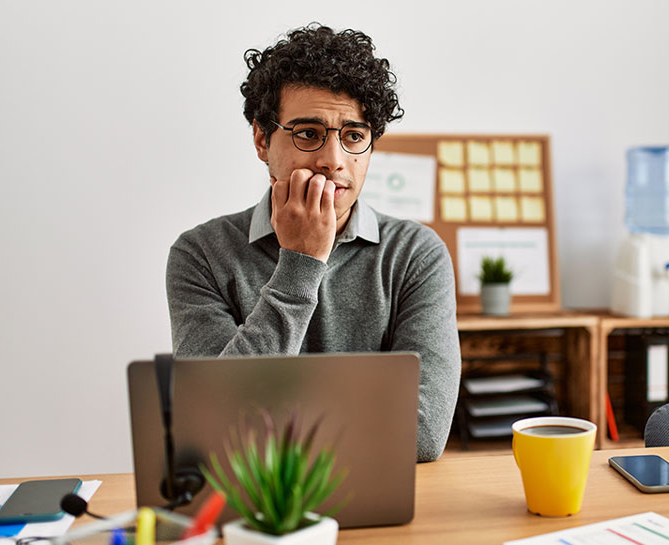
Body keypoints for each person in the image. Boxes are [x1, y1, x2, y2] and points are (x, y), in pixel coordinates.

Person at [165, 24, 460, 462]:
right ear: (263, 140)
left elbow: (421, 434)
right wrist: (301, 263)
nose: (334, 160)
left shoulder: (416, 254)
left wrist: (267, 424)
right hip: (253, 514)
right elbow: (219, 428)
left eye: (354, 136)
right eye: (308, 133)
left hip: (381, 506)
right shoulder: (201, 255)